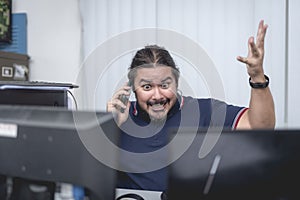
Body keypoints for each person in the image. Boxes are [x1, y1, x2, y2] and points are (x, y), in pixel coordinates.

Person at [107, 20, 275, 192]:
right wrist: (110, 125)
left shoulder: (205, 112)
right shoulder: (121, 119)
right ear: (132, 88)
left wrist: (257, 77)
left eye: (165, 85)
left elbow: (260, 127)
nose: (157, 96)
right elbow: (89, 177)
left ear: (176, 83)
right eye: (147, 87)